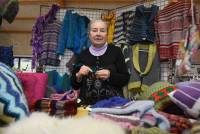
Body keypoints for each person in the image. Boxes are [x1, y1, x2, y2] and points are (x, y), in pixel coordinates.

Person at [71, 20, 130, 105]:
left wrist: (111, 75)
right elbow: (74, 85)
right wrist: (79, 75)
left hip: (113, 106)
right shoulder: (82, 54)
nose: (98, 34)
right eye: (94, 30)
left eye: (102, 31)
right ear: (89, 34)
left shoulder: (116, 52)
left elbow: (125, 79)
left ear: (107, 34)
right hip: (87, 106)